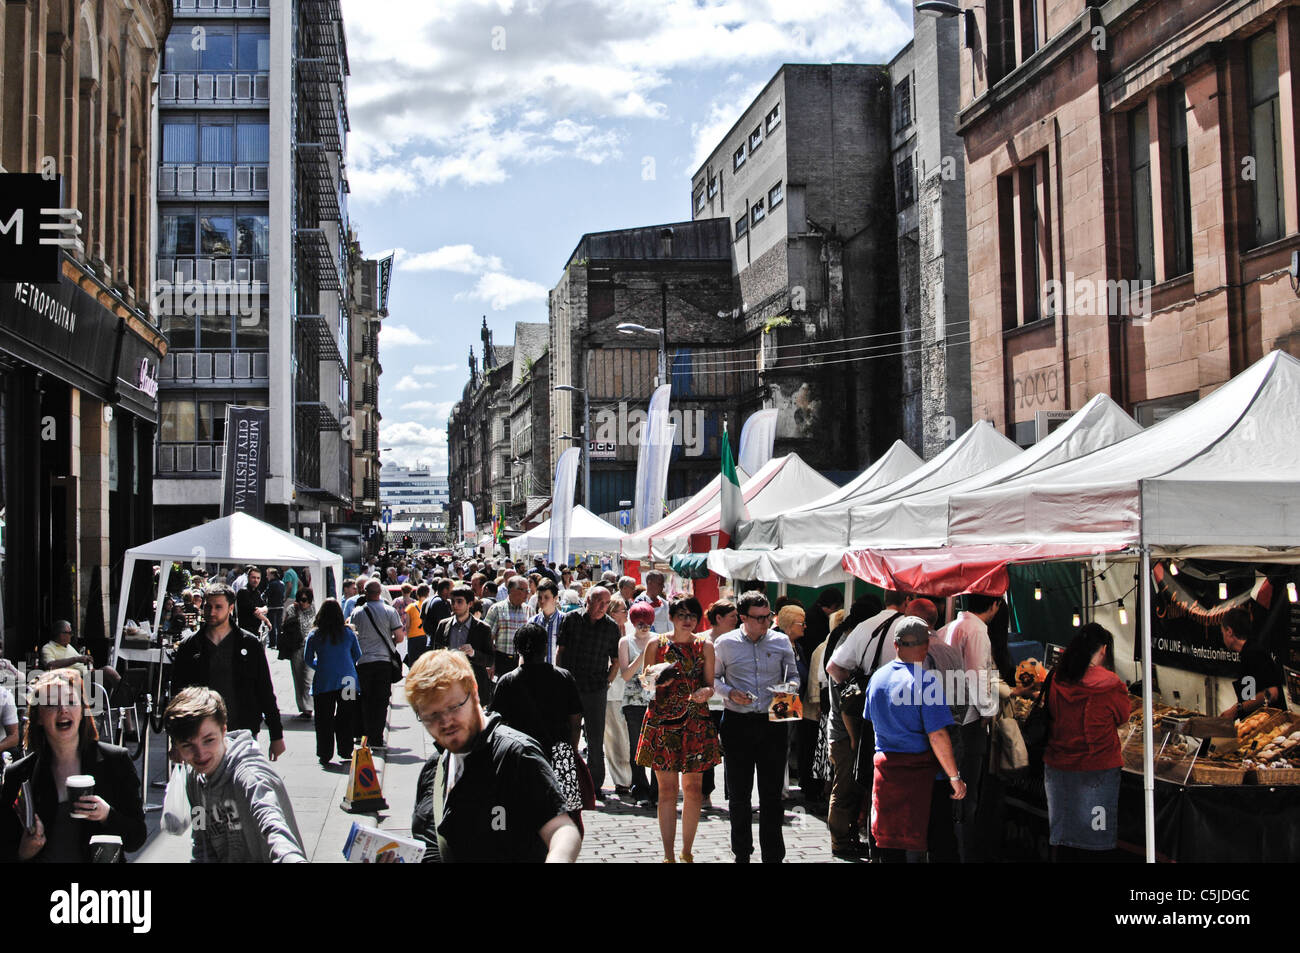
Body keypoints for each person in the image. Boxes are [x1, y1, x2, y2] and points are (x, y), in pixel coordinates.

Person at [408, 650, 582, 862]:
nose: (445, 722)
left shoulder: (516, 756)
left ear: (474, 691)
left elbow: (562, 830)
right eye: (432, 715)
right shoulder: (433, 770)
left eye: (453, 707)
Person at [0, 669, 146, 862]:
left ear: (82, 710)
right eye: (52, 704)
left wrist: (107, 815)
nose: (63, 710)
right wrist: (23, 852)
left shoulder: (115, 761)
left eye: (71, 701)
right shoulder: (19, 773)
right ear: (39, 717)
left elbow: (136, 838)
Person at [164, 687, 307, 863]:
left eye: (209, 740)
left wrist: (291, 858)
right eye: (187, 745)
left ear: (224, 730)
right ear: (176, 746)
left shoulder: (249, 776)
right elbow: (201, 836)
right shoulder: (194, 777)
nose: (200, 754)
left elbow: (271, 821)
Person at [865, 617, 966, 863]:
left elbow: (870, 722)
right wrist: (955, 777)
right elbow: (938, 735)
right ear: (926, 647)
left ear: (896, 645)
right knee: (939, 843)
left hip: (888, 773)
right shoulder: (927, 681)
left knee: (891, 844)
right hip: (925, 777)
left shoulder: (877, 678)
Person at [713, 590, 799, 863]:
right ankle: (742, 853)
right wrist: (729, 692)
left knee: (772, 795)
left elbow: (795, 675)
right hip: (738, 721)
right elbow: (713, 679)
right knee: (739, 795)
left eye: (768, 616)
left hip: (773, 719)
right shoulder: (725, 644)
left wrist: (788, 691)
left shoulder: (781, 640)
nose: (765, 622)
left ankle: (773, 855)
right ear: (742, 617)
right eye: (759, 618)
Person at [635, 596, 721, 862]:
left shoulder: (704, 645)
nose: (688, 620)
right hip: (664, 721)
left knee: (694, 788)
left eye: (692, 616)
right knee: (667, 790)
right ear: (671, 617)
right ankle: (668, 854)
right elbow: (645, 684)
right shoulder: (656, 644)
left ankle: (687, 851)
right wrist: (658, 679)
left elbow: (709, 684)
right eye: (682, 615)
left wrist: (705, 692)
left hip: (695, 720)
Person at [823, 590, 907, 857]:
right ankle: (843, 841)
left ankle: (849, 839)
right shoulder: (895, 626)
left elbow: (834, 669)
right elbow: (834, 670)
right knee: (850, 785)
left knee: (854, 784)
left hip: (851, 724)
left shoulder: (856, 634)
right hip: (853, 728)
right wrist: (850, 699)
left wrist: (848, 691)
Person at [1043, 623, 1129, 862]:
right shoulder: (1110, 683)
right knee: (1096, 840)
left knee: (1064, 836)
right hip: (1098, 770)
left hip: (1059, 768)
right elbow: (1123, 716)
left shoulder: (1057, 677)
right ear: (1103, 650)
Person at [489, 623, 588, 827]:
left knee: (522, 818)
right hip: (561, 753)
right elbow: (575, 719)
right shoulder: (563, 677)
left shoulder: (507, 682)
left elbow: (499, 724)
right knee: (568, 819)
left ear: (517, 649)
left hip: (520, 757)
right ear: (545, 648)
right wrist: (572, 749)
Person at [172, 584, 285, 760]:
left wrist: (276, 735)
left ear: (230, 608)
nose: (211, 612)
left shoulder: (249, 644)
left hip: (242, 730)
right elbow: (178, 695)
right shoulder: (190, 646)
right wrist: (176, 741)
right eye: (208, 606)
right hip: (200, 734)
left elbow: (264, 691)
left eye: (218, 607)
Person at [935, 592, 1003, 863]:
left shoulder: (948, 626)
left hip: (946, 716)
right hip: (967, 722)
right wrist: (989, 710)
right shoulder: (976, 630)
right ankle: (964, 850)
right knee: (965, 790)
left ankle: (949, 845)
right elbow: (977, 677)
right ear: (995, 604)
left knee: (951, 785)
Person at [555, 586, 622, 798]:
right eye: (599, 602)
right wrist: (560, 678)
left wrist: (607, 682)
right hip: (571, 686)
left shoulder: (611, 627)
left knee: (595, 737)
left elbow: (616, 660)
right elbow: (561, 651)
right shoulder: (571, 619)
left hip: (595, 688)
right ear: (588, 600)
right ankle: (565, 780)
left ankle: (594, 785)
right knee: (568, 734)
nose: (603, 607)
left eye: (606, 603)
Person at [303, 599, 363, 766]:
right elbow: (357, 654)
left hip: (324, 680)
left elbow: (308, 659)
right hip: (348, 680)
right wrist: (346, 664)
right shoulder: (349, 633)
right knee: (347, 715)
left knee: (324, 718)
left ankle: (325, 752)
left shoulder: (315, 635)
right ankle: (345, 749)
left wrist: (320, 665)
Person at [349, 580, 407, 750]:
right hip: (383, 662)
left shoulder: (357, 612)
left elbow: (353, 637)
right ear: (380, 593)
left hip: (364, 662)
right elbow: (400, 636)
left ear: (365, 592)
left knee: (365, 699)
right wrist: (390, 644)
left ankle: (365, 734)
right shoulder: (390, 611)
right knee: (381, 701)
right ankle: (377, 737)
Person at [619, 602, 659, 809]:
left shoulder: (658, 640)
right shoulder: (625, 642)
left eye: (648, 623)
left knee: (656, 746)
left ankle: (656, 790)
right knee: (637, 746)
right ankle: (640, 788)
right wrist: (642, 657)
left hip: (654, 700)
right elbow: (625, 675)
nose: (644, 627)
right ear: (633, 622)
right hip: (633, 701)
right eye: (641, 623)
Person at [699, 598, 739, 805]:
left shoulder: (739, 640)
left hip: (731, 703)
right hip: (707, 704)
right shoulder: (701, 640)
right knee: (707, 750)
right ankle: (705, 792)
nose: (736, 620)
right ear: (719, 618)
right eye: (732, 616)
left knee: (732, 750)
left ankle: (733, 794)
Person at [431, 584, 495, 704]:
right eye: (452, 601)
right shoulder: (443, 625)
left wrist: (473, 653)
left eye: (459, 601)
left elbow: (489, 660)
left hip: (473, 686)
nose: (455, 605)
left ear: (470, 604)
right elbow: (435, 656)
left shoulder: (482, 628)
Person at [1219, 607, 1287, 717]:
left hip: (1270, 723)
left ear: (1229, 632)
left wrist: (1236, 709)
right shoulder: (1247, 653)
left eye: (1222, 633)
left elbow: (1272, 693)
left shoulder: (1255, 654)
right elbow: (1251, 694)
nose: (1223, 638)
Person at [602, 594, 634, 800]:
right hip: (612, 691)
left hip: (633, 692)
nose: (626, 613)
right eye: (622, 610)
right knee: (614, 737)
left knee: (629, 736)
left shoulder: (631, 631)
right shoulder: (605, 632)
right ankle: (622, 780)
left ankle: (633, 776)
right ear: (612, 612)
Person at [40, 620, 121, 691]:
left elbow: (79, 661)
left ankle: (121, 699)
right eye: (69, 633)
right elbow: (50, 665)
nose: (71, 635)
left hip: (89, 674)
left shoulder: (68, 646)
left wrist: (86, 660)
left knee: (115, 677)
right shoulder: (48, 648)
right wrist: (76, 659)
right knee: (109, 670)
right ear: (60, 634)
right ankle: (124, 697)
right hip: (78, 679)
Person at [279, 587, 316, 719]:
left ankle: (308, 708)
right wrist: (296, 613)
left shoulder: (315, 609)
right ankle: (303, 706)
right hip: (296, 647)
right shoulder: (292, 609)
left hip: (311, 648)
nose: (302, 602)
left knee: (308, 678)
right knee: (298, 678)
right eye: (300, 600)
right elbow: (285, 625)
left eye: (305, 600)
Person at [485, 576, 531, 678]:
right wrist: (490, 663)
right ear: (513, 590)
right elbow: (487, 639)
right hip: (502, 661)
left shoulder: (529, 610)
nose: (528, 593)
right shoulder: (496, 609)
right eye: (525, 590)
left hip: (523, 662)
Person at [234, 566, 269, 636]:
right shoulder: (243, 592)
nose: (256, 580)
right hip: (245, 630)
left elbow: (265, 607)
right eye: (253, 577)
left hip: (256, 629)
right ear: (248, 578)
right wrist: (266, 620)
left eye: (258, 578)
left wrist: (262, 609)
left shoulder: (257, 592)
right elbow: (254, 611)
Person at [405, 583, 432, 670]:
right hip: (426, 637)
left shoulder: (411, 607)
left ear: (417, 594)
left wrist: (408, 637)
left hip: (413, 638)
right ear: (428, 593)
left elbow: (407, 625)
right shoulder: (430, 605)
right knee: (425, 664)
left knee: (413, 664)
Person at [263, 568, 286, 650]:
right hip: (280, 606)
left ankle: (272, 643)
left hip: (272, 607)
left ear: (272, 575)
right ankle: (279, 643)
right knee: (279, 626)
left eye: (268, 574)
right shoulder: (282, 583)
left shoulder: (271, 584)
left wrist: (262, 599)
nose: (266, 576)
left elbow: (266, 594)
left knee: (271, 625)